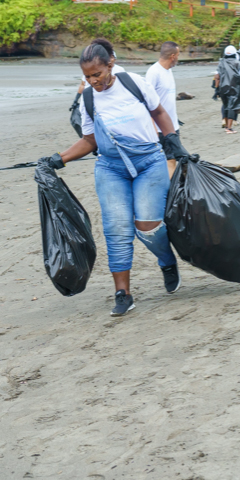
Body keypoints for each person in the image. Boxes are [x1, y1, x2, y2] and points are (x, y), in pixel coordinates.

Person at [45, 38, 191, 317]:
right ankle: (122, 294)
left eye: (97, 74)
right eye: (87, 76)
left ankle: (166, 260)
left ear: (110, 63)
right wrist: (59, 158)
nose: (93, 81)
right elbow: (90, 141)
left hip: (149, 161)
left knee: (147, 225)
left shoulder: (133, 83)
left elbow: (159, 112)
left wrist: (172, 140)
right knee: (116, 229)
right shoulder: (88, 97)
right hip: (111, 168)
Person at [146, 41, 181, 176]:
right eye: (178, 55)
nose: (178, 58)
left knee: (173, 159)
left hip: (173, 125)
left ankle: (171, 190)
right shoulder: (154, 73)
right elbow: (146, 101)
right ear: (172, 56)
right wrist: (152, 127)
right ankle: (170, 193)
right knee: (168, 161)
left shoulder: (168, 71)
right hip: (159, 128)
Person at [214, 46, 240, 134]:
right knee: (232, 107)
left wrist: (216, 89)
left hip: (223, 88)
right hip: (234, 88)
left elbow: (217, 77)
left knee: (225, 105)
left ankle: (226, 125)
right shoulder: (238, 63)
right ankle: (229, 128)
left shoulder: (221, 63)